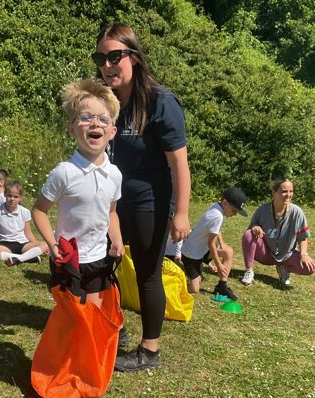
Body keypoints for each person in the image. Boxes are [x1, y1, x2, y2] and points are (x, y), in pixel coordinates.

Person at [94, 23, 191, 371]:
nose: (107, 65)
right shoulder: (107, 102)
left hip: (150, 202)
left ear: (133, 56)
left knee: (148, 274)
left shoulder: (160, 102)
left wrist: (181, 212)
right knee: (103, 264)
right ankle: (114, 327)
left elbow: (178, 163)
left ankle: (149, 350)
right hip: (114, 204)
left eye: (114, 56)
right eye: (101, 59)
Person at [31, 78, 124, 307]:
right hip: (68, 258)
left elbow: (111, 212)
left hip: (99, 258)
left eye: (103, 119)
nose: (95, 123)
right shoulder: (65, 172)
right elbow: (39, 211)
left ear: (112, 131)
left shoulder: (115, 174)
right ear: (72, 128)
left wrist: (117, 239)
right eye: (86, 117)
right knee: (73, 315)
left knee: (93, 313)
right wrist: (52, 245)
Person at [241, 177, 315, 287]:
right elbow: (251, 229)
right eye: (284, 191)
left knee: (310, 267)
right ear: (274, 192)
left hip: (287, 255)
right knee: (248, 234)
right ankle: (249, 271)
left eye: (291, 191)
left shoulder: (297, 212)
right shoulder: (262, 210)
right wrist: (255, 227)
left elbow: (303, 237)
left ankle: (284, 268)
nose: (288, 195)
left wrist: (303, 254)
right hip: (266, 254)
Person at [181, 187, 247, 298]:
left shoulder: (216, 206)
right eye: (234, 211)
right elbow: (211, 243)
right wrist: (219, 264)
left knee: (228, 251)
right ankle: (180, 268)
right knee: (195, 289)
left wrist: (222, 243)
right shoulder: (217, 216)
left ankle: (222, 286)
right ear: (225, 203)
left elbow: (216, 229)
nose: (234, 214)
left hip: (201, 251)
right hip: (191, 254)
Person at [0, 180, 48, 266]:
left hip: (23, 244)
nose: (12, 199)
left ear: (20, 198)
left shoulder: (25, 212)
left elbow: (28, 233)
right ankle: (24, 257)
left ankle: (20, 257)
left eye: (16, 196)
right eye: (9, 195)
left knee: (46, 244)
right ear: (5, 194)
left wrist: (35, 245)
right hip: (5, 244)